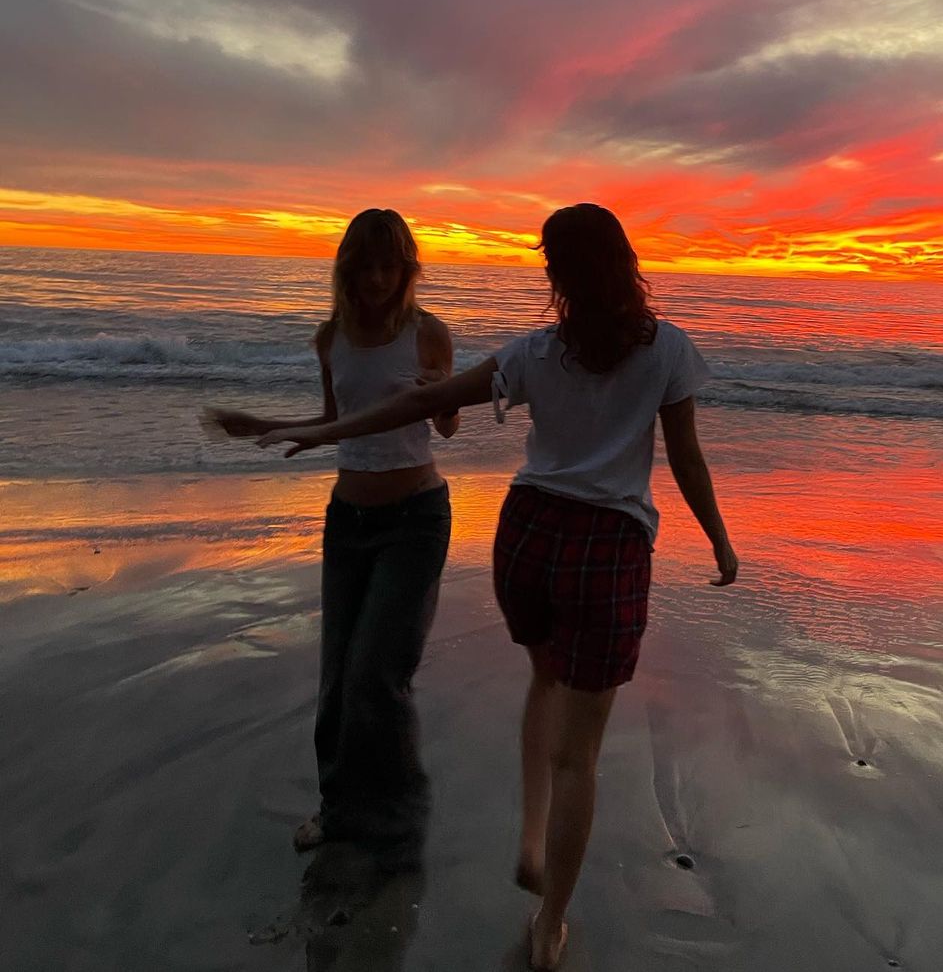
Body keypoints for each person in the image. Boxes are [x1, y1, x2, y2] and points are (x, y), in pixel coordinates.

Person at [257, 203, 738, 970]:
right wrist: (717, 535)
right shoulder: (668, 350)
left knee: (543, 678)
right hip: (608, 548)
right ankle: (550, 923)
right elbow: (685, 455)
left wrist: (319, 432)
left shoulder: (534, 354)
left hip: (527, 537)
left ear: (558, 275)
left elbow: (424, 403)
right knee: (579, 753)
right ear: (624, 263)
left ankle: (530, 838)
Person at [204, 207, 458, 866]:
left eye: (389, 266)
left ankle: (399, 816)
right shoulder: (331, 338)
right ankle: (341, 809)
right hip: (347, 522)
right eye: (365, 266)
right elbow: (334, 420)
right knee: (338, 677)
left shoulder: (428, 334)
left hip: (416, 520)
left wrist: (444, 394)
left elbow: (447, 425)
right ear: (346, 268)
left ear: (406, 269)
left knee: (378, 673)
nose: (376, 279)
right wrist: (265, 423)